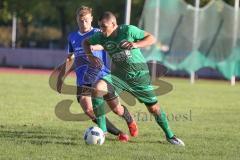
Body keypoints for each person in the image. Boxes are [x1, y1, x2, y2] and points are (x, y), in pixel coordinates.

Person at [83, 11, 185, 146]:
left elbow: (151, 38)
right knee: (97, 88)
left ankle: (170, 136)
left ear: (114, 24)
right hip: (118, 77)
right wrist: (90, 56)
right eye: (100, 26)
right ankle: (102, 131)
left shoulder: (128, 30)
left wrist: (135, 44)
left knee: (154, 109)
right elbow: (86, 42)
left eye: (104, 26)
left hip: (139, 77)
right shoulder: (101, 37)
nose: (101, 30)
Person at [57, 6, 138, 142]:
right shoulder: (72, 37)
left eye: (86, 21)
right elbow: (70, 59)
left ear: (91, 19)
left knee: (117, 109)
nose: (84, 23)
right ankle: (117, 133)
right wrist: (60, 79)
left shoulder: (98, 32)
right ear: (77, 19)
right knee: (88, 109)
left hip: (102, 77)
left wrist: (93, 46)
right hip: (83, 80)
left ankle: (129, 119)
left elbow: (106, 44)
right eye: (81, 20)